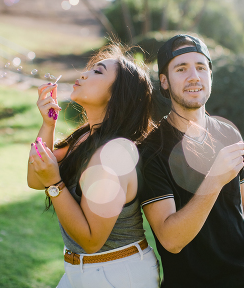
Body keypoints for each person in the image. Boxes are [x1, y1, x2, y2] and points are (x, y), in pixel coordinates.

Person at [137, 34, 244, 287]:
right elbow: (171, 240)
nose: (194, 77)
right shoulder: (150, 151)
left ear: (210, 75)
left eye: (201, 67)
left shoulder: (229, 134)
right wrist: (215, 179)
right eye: (181, 69)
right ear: (164, 81)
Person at [27, 43, 159, 287]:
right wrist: (48, 124)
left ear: (116, 95)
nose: (84, 74)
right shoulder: (85, 136)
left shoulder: (115, 153)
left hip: (118, 273)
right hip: (83, 269)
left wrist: (54, 183)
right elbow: (35, 179)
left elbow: (91, 240)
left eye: (97, 71)